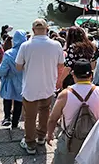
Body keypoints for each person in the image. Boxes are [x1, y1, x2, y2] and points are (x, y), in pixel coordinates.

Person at [16, 19, 65, 155]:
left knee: (30, 117)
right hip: (48, 85)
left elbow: (18, 67)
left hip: (30, 87)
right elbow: (61, 65)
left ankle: (30, 144)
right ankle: (41, 137)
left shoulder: (25, 46)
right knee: (45, 112)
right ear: (47, 29)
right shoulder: (56, 45)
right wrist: (58, 81)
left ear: (33, 30)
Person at [0, 30, 27, 128]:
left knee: (7, 98)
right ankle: (15, 123)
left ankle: (7, 117)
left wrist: (2, 74)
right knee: (19, 102)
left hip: (9, 80)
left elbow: (2, 70)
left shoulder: (8, 53)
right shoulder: (28, 53)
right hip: (23, 81)